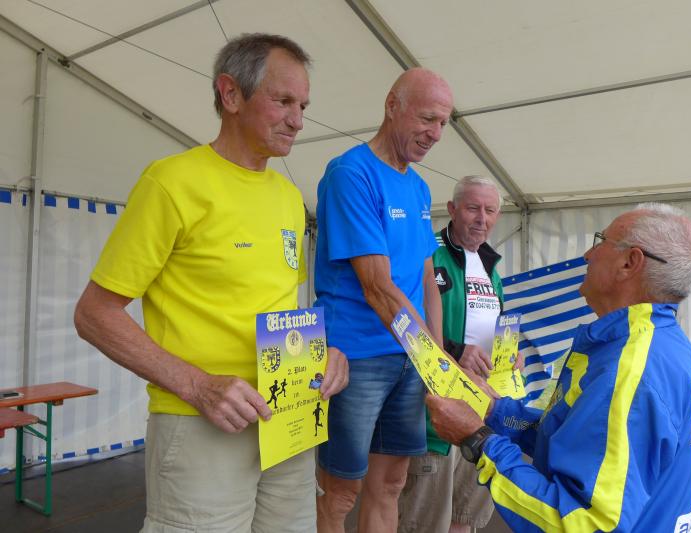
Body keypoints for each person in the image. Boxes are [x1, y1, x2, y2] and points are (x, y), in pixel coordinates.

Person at [73, 33, 347, 533]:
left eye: (303, 105)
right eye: (283, 101)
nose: (298, 120)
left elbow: (279, 304)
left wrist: (323, 354)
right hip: (201, 422)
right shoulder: (171, 182)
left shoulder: (288, 196)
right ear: (231, 94)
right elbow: (94, 314)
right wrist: (197, 386)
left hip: (288, 416)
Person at [426, 203, 691, 533]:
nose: (588, 254)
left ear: (630, 263)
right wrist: (495, 412)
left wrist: (477, 439)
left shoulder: (628, 373)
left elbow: (582, 524)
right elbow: (577, 439)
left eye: (601, 241)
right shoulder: (664, 344)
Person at [314, 67, 453, 533]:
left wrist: (435, 360)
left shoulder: (418, 186)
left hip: (409, 357)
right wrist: (435, 360)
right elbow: (377, 287)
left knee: (392, 483)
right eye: (427, 119)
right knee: (340, 492)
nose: (435, 134)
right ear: (392, 106)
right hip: (356, 358)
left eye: (443, 123)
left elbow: (427, 279)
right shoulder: (351, 173)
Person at [399, 176, 518, 533]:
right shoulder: (429, 253)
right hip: (436, 415)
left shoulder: (490, 265)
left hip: (481, 411)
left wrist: (510, 355)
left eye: (490, 210)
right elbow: (403, 319)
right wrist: (454, 351)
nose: (482, 218)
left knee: (465, 519)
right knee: (426, 522)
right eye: (472, 208)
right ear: (452, 209)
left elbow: (491, 327)